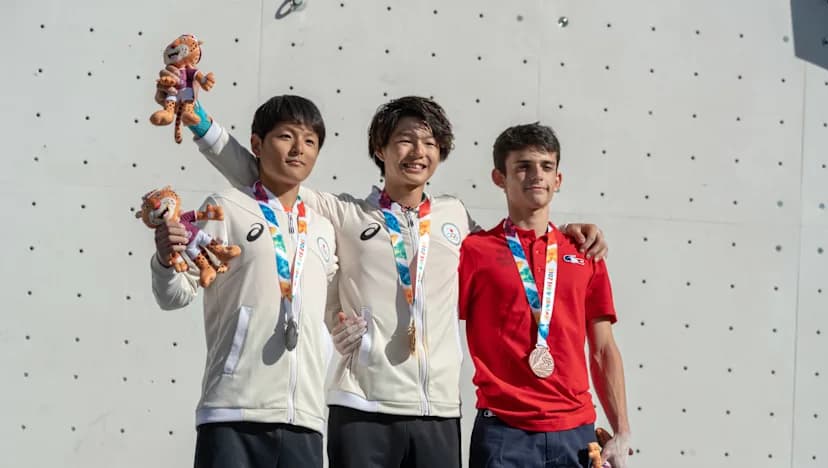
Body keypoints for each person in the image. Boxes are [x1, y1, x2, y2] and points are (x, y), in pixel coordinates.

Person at [155, 70, 608, 467]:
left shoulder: (455, 217)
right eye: (405, 140)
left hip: (438, 412)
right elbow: (266, 175)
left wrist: (569, 233)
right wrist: (198, 121)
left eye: (430, 142)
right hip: (361, 407)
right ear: (381, 148)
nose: (418, 151)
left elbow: (516, 246)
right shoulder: (344, 213)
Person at [150, 95, 338, 468]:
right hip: (232, 414)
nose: (299, 149)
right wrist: (165, 259)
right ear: (257, 144)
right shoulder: (225, 208)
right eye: (286, 136)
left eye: (310, 141)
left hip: (305, 419)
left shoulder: (323, 226)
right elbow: (175, 295)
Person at [458, 123, 631, 468]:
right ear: (499, 177)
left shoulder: (584, 251)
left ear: (558, 180)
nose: (536, 175)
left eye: (546, 166)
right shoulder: (473, 251)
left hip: (577, 432)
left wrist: (622, 431)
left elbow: (602, 348)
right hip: (503, 432)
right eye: (523, 166)